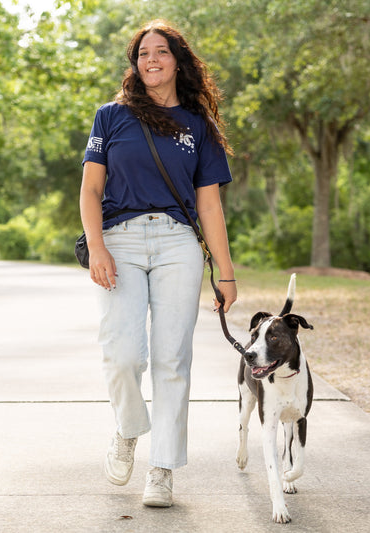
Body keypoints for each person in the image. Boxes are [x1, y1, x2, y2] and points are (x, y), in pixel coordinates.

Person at [79, 19, 237, 508]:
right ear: (136, 63)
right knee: (122, 353)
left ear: (177, 61)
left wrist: (225, 273)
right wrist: (97, 246)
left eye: (161, 51)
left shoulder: (198, 126)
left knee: (173, 360)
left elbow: (209, 205)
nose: (151, 59)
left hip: (177, 245)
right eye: (143, 53)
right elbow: (89, 189)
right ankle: (128, 429)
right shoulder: (111, 116)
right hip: (119, 241)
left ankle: (163, 468)